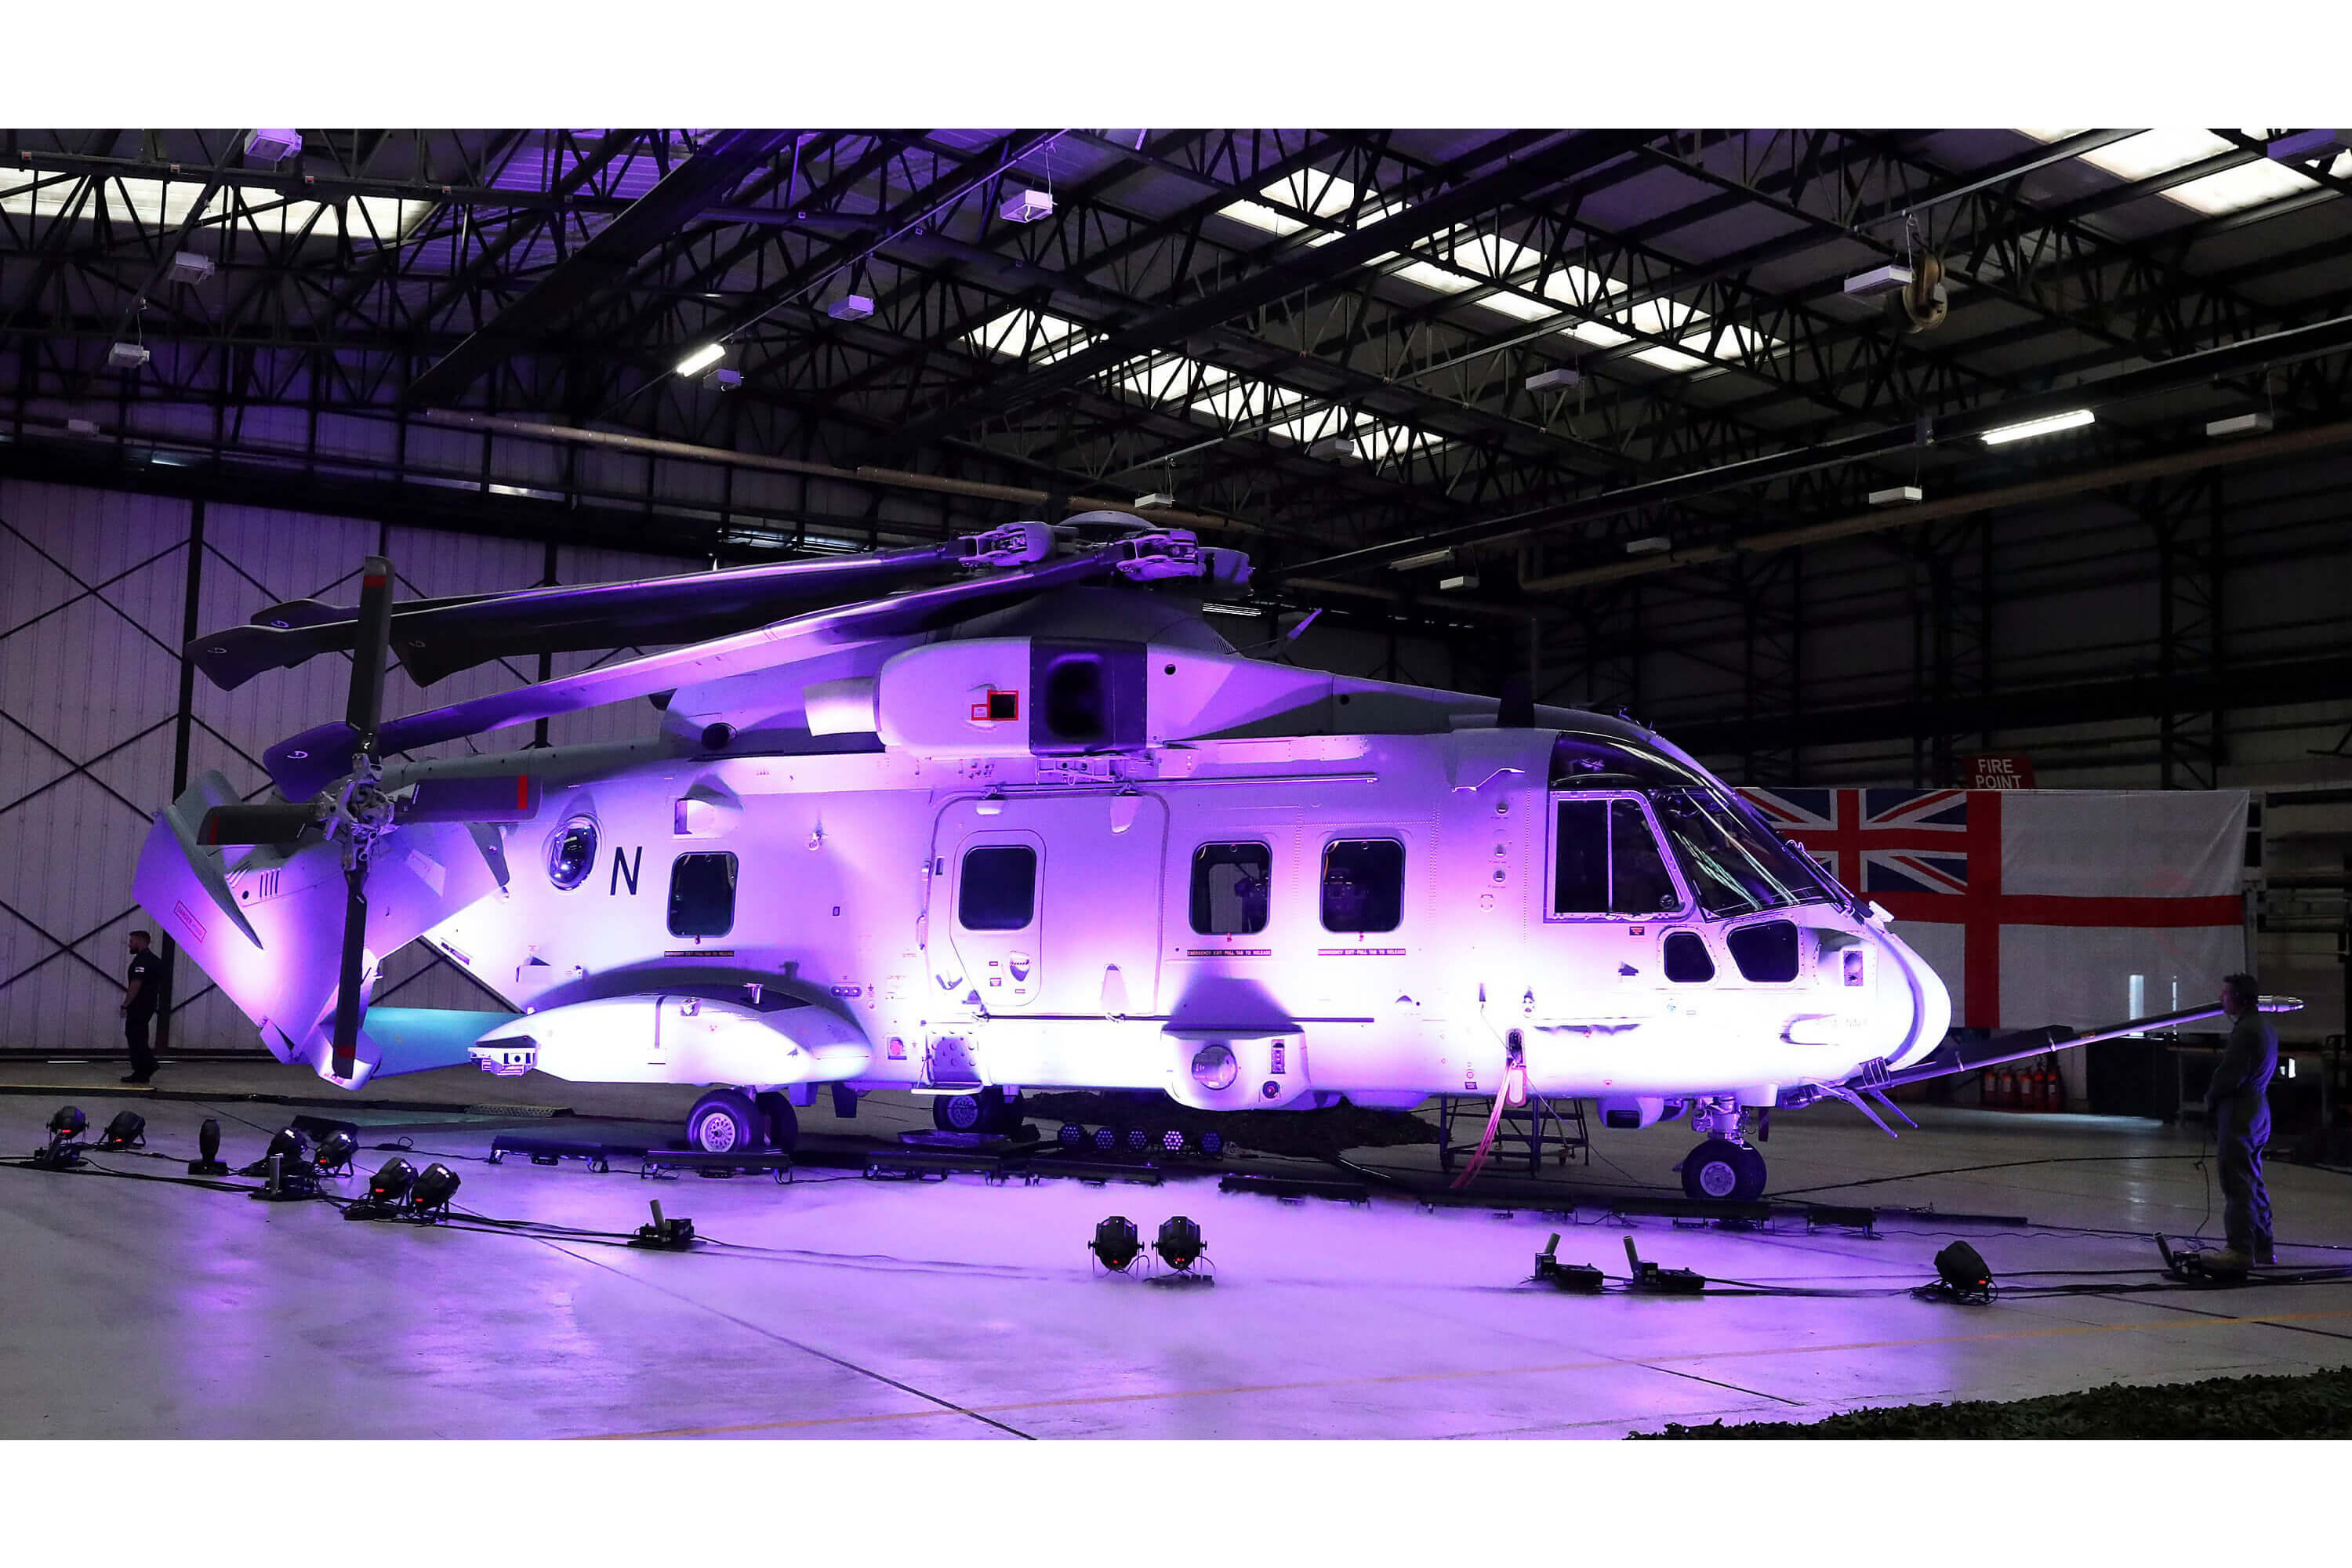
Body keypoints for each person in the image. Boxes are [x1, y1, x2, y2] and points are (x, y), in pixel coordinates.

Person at [2203, 971, 2276, 1270]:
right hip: (2259, 1109)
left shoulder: (2245, 1032)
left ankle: (2240, 1249)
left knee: (2236, 1182)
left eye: (2226, 994)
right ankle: (2263, 1246)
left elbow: (2230, 1075)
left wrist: (2210, 1100)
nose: (2221, 999)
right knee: (2252, 1179)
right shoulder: (2265, 1027)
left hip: (2240, 1111)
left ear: (2239, 998)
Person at [120, 930, 164, 1084]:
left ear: (140, 941)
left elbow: (136, 984)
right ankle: (143, 1071)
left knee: (134, 1036)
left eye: (132, 941)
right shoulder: (154, 960)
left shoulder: (142, 961)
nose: (129, 944)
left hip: (139, 1005)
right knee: (140, 1036)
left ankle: (146, 1066)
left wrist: (126, 1004)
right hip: (148, 1004)